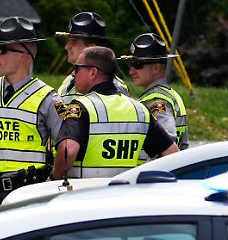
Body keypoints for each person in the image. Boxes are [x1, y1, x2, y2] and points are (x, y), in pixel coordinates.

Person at [0, 17, 80, 210]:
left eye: (2, 50)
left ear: (24, 55)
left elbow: (66, 147)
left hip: (29, 192)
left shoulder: (48, 98)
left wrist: (53, 178)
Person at [53, 46, 178, 178]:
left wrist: (54, 177)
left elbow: (69, 150)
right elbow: (173, 153)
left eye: (77, 68)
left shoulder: (81, 107)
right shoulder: (140, 111)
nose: (73, 73)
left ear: (93, 72)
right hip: (124, 194)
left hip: (86, 194)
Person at [122, 33, 189, 150]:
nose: (131, 72)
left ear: (156, 68)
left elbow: (166, 142)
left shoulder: (157, 101)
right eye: (131, 64)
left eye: (137, 65)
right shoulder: (169, 95)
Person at [54, 11, 128, 100]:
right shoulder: (69, 80)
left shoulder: (113, 88)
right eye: (68, 41)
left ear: (92, 48)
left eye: (73, 41)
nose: (66, 47)